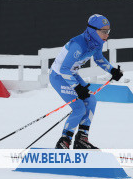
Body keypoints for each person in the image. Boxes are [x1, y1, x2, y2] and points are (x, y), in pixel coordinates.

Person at [49, 14, 123, 149]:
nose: (107, 35)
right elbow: (64, 69)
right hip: (58, 76)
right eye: (104, 31)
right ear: (93, 30)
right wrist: (77, 88)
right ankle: (64, 141)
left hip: (71, 74)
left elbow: (99, 58)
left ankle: (81, 139)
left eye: (108, 31)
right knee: (79, 108)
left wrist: (112, 71)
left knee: (91, 100)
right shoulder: (78, 44)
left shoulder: (96, 42)